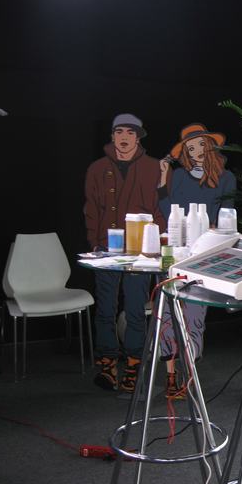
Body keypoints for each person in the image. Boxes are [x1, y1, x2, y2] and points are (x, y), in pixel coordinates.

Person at [84, 113, 166, 393]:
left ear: (138, 138)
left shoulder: (154, 167)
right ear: (112, 135)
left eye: (131, 132)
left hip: (141, 250)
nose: (124, 137)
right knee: (105, 308)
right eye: (119, 131)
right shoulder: (97, 168)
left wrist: (157, 243)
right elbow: (91, 208)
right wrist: (94, 243)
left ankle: (133, 365)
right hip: (106, 248)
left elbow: (161, 208)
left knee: (134, 309)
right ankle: (107, 365)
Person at [157, 123, 236, 398]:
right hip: (177, 249)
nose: (198, 151)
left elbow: (227, 216)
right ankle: (170, 375)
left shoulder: (226, 178)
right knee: (168, 311)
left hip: (204, 254)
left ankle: (189, 372)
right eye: (191, 148)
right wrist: (163, 178)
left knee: (194, 314)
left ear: (210, 145)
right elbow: (169, 210)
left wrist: (212, 231)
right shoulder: (179, 176)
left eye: (201, 144)